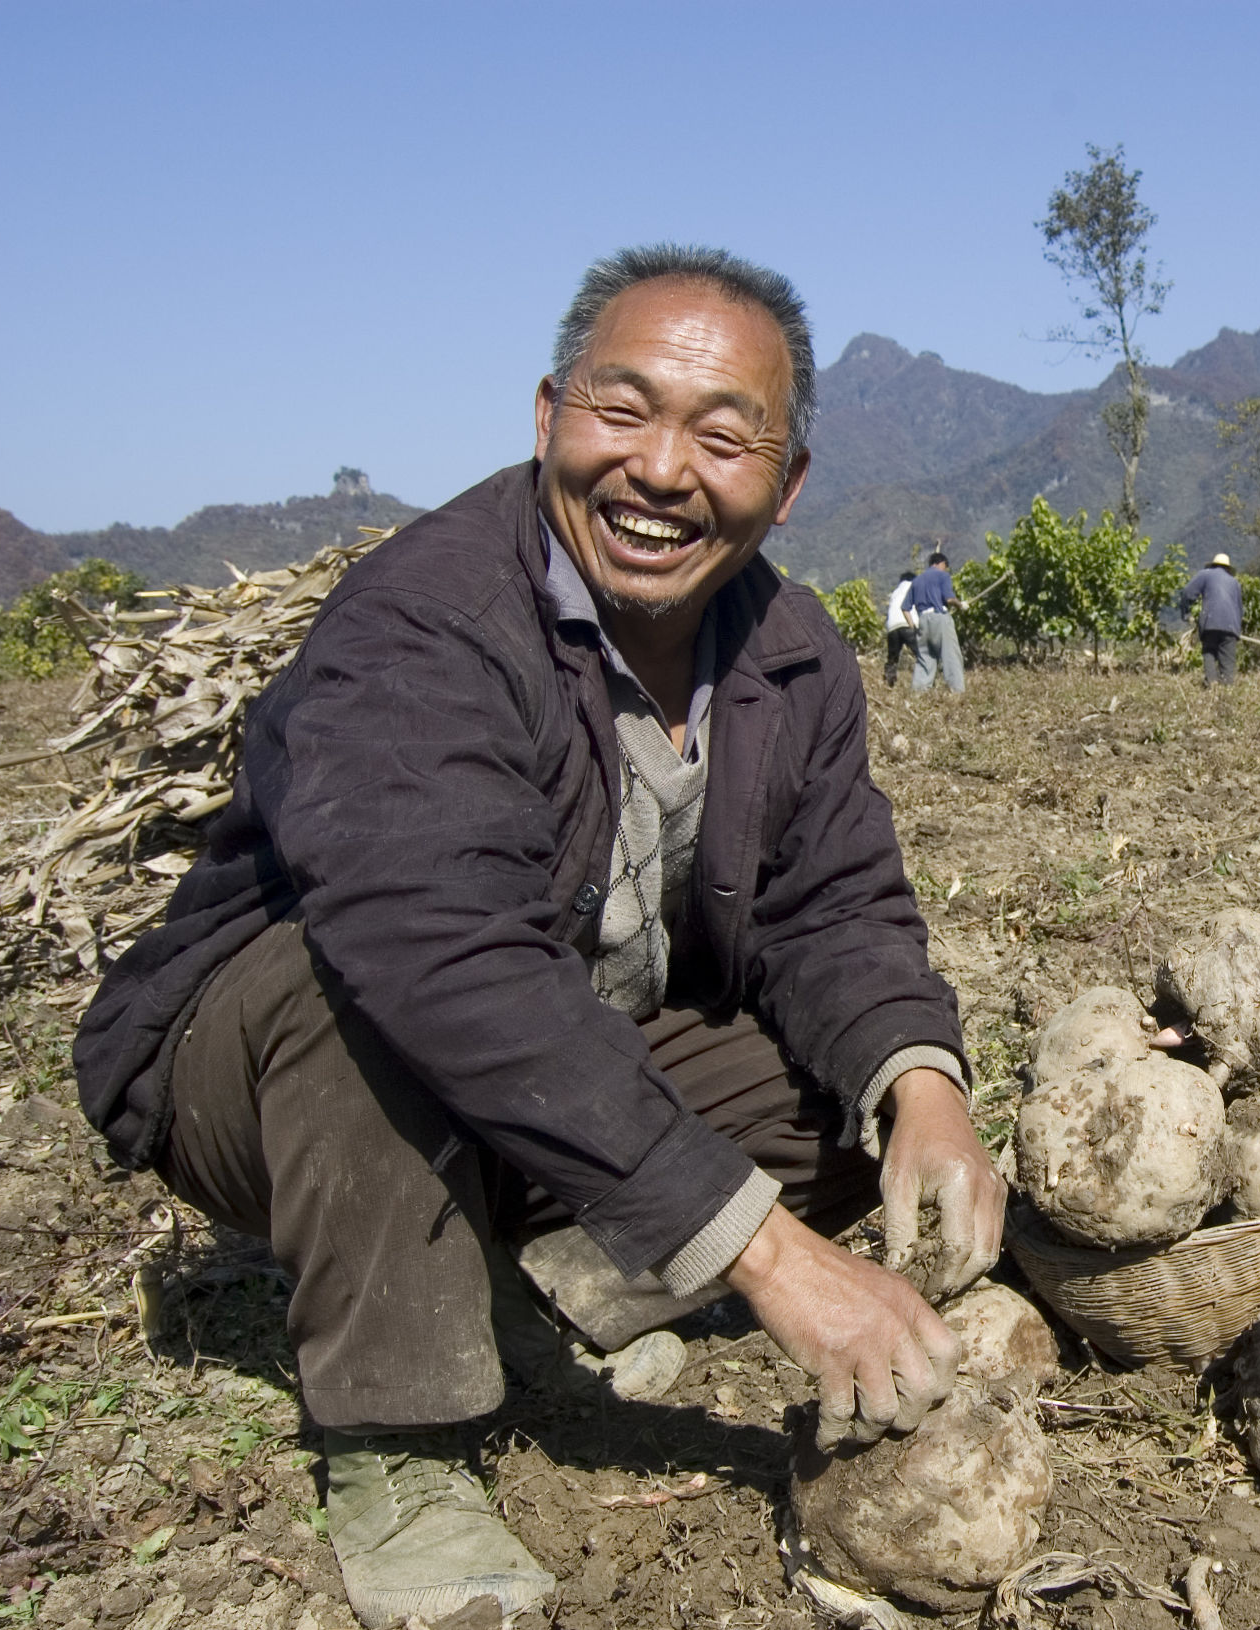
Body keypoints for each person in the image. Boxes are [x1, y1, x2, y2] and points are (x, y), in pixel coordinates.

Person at [73, 246, 1003, 1627]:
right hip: (275, 1071)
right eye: (621, 410)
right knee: (370, 996)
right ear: (548, 415)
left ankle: (545, 1292)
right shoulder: (427, 617)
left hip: (545, 1057)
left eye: (723, 434)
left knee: (843, 1087)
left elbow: (833, 904)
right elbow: (443, 955)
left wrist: (924, 1085)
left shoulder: (792, 649)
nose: (662, 469)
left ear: (787, 478)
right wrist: (767, 1256)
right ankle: (396, 1439)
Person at [1176, 551, 1245, 686]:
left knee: (1209, 652)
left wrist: (1186, 613)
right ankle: (1226, 692)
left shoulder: (1205, 575)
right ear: (1228, 568)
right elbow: (1239, 609)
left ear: (1213, 565)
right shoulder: (1235, 582)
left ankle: (1211, 684)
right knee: (1228, 664)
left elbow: (1187, 593)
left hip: (1210, 622)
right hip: (1231, 627)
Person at [906, 548, 964, 693]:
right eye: (946, 565)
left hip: (923, 620)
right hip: (939, 618)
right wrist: (961, 604)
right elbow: (949, 599)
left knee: (925, 658)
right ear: (941, 563)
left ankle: (918, 693)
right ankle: (957, 691)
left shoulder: (916, 580)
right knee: (950, 655)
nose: (946, 569)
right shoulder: (942, 576)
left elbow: (905, 608)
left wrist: (913, 626)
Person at [882, 567, 919, 686]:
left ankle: (889, 682)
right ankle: (924, 682)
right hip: (907, 623)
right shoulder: (914, 587)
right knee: (921, 654)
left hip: (892, 626)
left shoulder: (895, 592)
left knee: (892, 657)